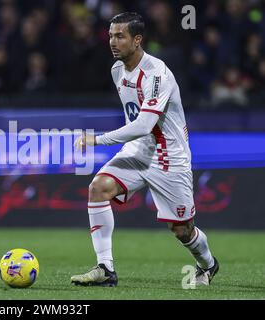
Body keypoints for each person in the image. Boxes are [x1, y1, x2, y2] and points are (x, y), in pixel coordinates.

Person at [71, 12, 219, 287]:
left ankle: (208, 263)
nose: (113, 42)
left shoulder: (157, 74)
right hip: (138, 151)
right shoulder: (117, 70)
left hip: (169, 156)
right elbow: (136, 125)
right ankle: (105, 268)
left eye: (120, 36)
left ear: (137, 40)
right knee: (98, 188)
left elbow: (144, 123)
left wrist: (98, 140)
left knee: (181, 231)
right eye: (111, 35)